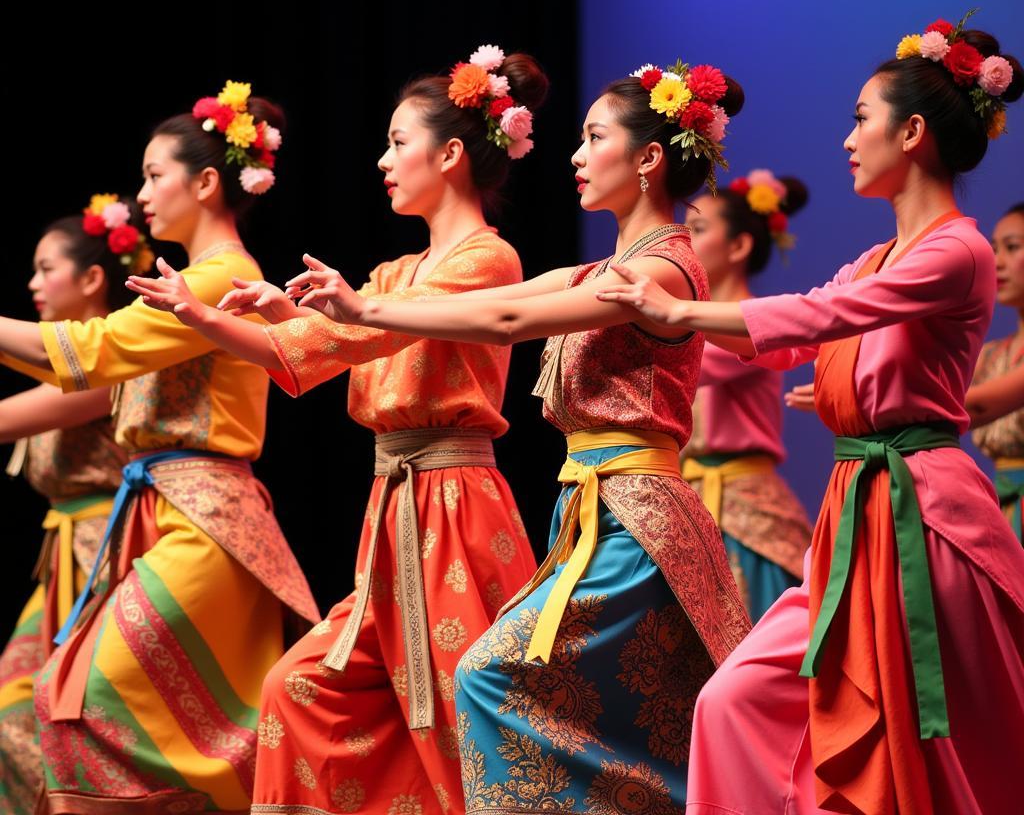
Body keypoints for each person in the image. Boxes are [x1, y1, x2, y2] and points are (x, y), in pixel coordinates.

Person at [230, 58, 752, 811]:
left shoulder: (660, 272)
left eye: (594, 136)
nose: (574, 154)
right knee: (600, 716)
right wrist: (324, 314)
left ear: (647, 159)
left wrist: (363, 314)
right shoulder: (607, 267)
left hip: (639, 519)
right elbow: (485, 305)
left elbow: (503, 318)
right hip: (592, 516)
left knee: (489, 681)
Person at [596, 16, 1024, 813]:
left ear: (916, 131)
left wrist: (679, 313)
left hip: (920, 518)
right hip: (855, 510)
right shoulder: (875, 257)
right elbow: (822, 321)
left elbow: (826, 316)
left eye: (863, 119)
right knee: (732, 701)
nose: (848, 140)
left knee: (918, 737)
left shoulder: (956, 249)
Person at [128, 47, 544, 815]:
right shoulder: (392, 276)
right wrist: (232, 316)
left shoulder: (489, 260)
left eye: (396, 141)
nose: (383, 159)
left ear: (451, 154)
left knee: (465, 712)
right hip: (396, 514)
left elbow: (361, 337)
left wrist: (258, 317)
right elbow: (322, 353)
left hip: (454, 509)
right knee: (298, 691)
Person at [0, 82, 318, 814]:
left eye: (154, 175)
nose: (143, 192)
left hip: (206, 523)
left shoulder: (221, 279)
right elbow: (93, 353)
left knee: (79, 700)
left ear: (207, 182)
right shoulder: (182, 285)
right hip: (159, 515)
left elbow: (93, 350)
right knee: (82, 708)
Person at [0, 198, 149, 815]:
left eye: (45, 268)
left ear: (92, 280)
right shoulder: (64, 376)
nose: (33, 283)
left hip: (105, 562)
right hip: (65, 561)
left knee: (83, 725)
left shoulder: (110, 372)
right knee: (14, 713)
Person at [683, 170, 813, 619]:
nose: (683, 242)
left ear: (738, 246)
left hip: (743, 502)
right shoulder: (694, 324)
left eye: (697, 230)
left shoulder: (750, 323)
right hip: (690, 492)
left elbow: (685, 368)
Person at [970, 202, 1024, 542]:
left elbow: (970, 406)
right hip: (1002, 516)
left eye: (1012, 247)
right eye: (993, 249)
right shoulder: (989, 356)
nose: (997, 261)